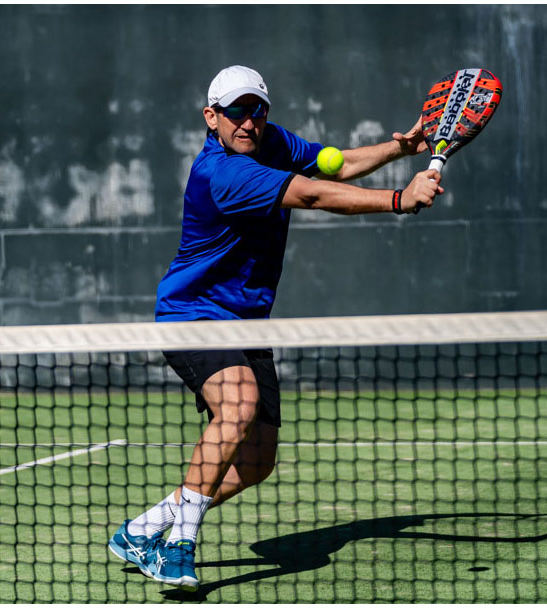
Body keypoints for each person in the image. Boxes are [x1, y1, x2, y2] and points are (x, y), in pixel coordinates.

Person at [108, 65, 441, 591]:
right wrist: (398, 199)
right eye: (236, 111)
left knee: (258, 461)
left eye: (257, 110)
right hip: (193, 316)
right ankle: (179, 545)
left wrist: (403, 148)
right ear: (212, 117)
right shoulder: (221, 173)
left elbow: (336, 164)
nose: (248, 121)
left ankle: (143, 528)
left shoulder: (273, 142)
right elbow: (313, 195)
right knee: (238, 406)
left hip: (245, 323)